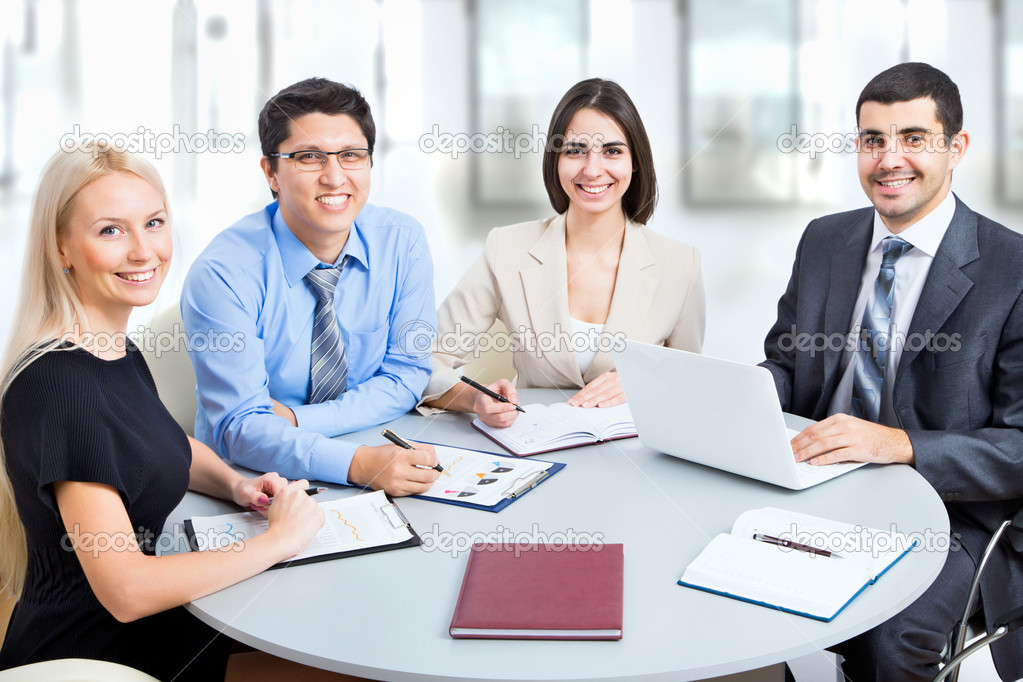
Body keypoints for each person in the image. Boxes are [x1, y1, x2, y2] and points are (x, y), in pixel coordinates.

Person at [0, 143, 326, 680]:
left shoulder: (114, 348)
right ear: (61, 248)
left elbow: (157, 445)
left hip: (164, 628)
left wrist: (235, 486)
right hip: (101, 660)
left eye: (153, 222)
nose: (143, 250)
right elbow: (126, 591)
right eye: (110, 230)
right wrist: (277, 543)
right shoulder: (62, 389)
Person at [761, 62, 1023, 681]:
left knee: (886, 634)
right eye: (873, 139)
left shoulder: (1012, 268)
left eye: (913, 138)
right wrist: (732, 401)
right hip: (824, 482)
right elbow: (785, 366)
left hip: (955, 513)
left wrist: (898, 445)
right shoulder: (824, 241)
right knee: (713, 570)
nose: (889, 159)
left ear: (955, 148)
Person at [182, 78, 440, 496]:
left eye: (352, 156)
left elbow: (407, 374)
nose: (335, 177)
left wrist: (303, 421)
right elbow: (240, 427)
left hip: (376, 449)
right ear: (271, 172)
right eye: (309, 157)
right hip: (250, 481)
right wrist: (358, 465)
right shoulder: (224, 273)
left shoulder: (402, 242)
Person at [420, 78, 706, 428]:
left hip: (639, 458)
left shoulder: (680, 264)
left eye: (613, 151)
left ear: (635, 162)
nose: (592, 169)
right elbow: (426, 360)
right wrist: (476, 399)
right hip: (535, 451)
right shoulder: (507, 249)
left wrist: (645, 383)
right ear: (555, 160)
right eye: (575, 150)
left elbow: (694, 383)